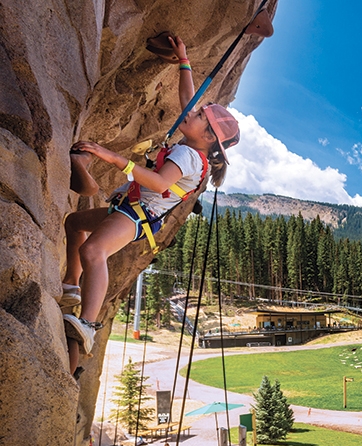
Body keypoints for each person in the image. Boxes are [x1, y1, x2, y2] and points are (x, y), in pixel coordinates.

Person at [60, 35, 240, 375]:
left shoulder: (187, 155)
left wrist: (112, 157)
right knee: (75, 224)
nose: (193, 111)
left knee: (94, 252)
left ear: (209, 137)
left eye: (201, 116)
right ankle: (71, 285)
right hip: (134, 211)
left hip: (134, 214)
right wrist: (183, 60)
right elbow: (189, 99)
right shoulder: (195, 147)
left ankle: (87, 323)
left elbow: (158, 183)